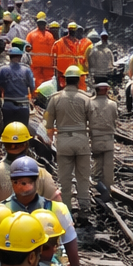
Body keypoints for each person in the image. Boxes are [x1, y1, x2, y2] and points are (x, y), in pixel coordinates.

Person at [45, 65, 94, 223]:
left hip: (64, 140)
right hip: (81, 140)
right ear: (79, 80)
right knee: (83, 176)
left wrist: (50, 142)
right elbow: (93, 123)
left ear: (64, 80)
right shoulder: (87, 98)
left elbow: (48, 124)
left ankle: (66, 208)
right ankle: (84, 206)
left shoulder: (55, 98)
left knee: (64, 177)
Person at [0, 123, 59, 212]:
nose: (14, 147)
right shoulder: (42, 172)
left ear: (3, 145)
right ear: (27, 144)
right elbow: (56, 205)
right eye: (11, 145)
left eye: (17, 145)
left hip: (5, 224)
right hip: (37, 223)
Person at [88, 79, 120, 197]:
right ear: (107, 91)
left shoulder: (89, 103)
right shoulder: (112, 104)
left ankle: (98, 185)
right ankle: (107, 189)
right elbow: (115, 118)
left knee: (97, 164)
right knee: (108, 166)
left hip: (96, 138)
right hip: (108, 138)